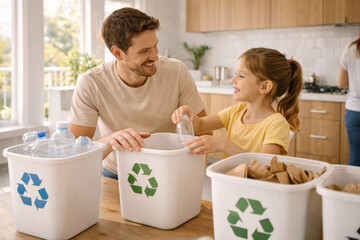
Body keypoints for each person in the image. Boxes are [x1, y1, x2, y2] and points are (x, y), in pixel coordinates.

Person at [68, 8, 207, 179]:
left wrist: (193, 176)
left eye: (155, 46)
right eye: (144, 51)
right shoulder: (91, 82)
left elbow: (205, 132)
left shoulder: (176, 71)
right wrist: (111, 140)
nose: (155, 56)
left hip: (169, 172)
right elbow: (75, 152)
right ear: (118, 53)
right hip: (116, 174)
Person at [172, 47, 303, 157]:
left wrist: (223, 145)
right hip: (228, 182)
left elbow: (265, 167)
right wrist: (188, 116)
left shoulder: (276, 124)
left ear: (264, 87)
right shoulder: (236, 112)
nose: (233, 80)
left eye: (241, 76)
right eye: (236, 74)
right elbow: (200, 125)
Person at [337, 37, 360, 167]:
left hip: (353, 111)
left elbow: (341, 83)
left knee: (355, 155)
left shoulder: (351, 49)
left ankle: (354, 188)